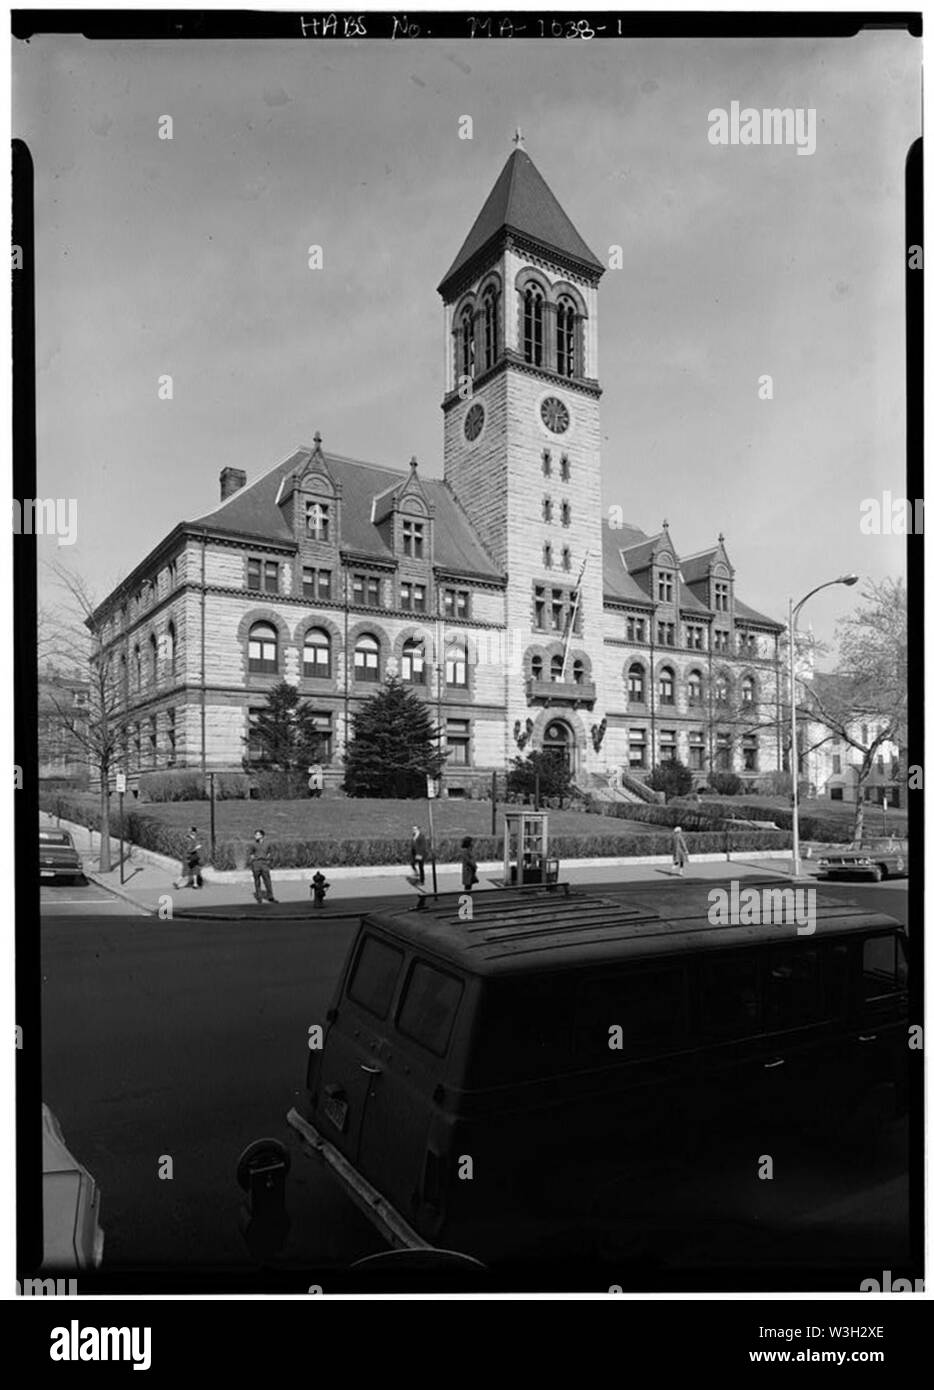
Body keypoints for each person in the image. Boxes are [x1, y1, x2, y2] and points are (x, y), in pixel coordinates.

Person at [249, 829, 277, 903]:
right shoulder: (253, 844)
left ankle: (270, 896)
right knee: (257, 882)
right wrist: (254, 860)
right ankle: (259, 897)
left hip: (264, 864)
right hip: (256, 865)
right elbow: (251, 853)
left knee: (267, 881)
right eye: (255, 835)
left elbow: (270, 852)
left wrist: (268, 859)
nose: (256, 836)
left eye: (257, 835)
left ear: (262, 836)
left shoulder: (267, 843)